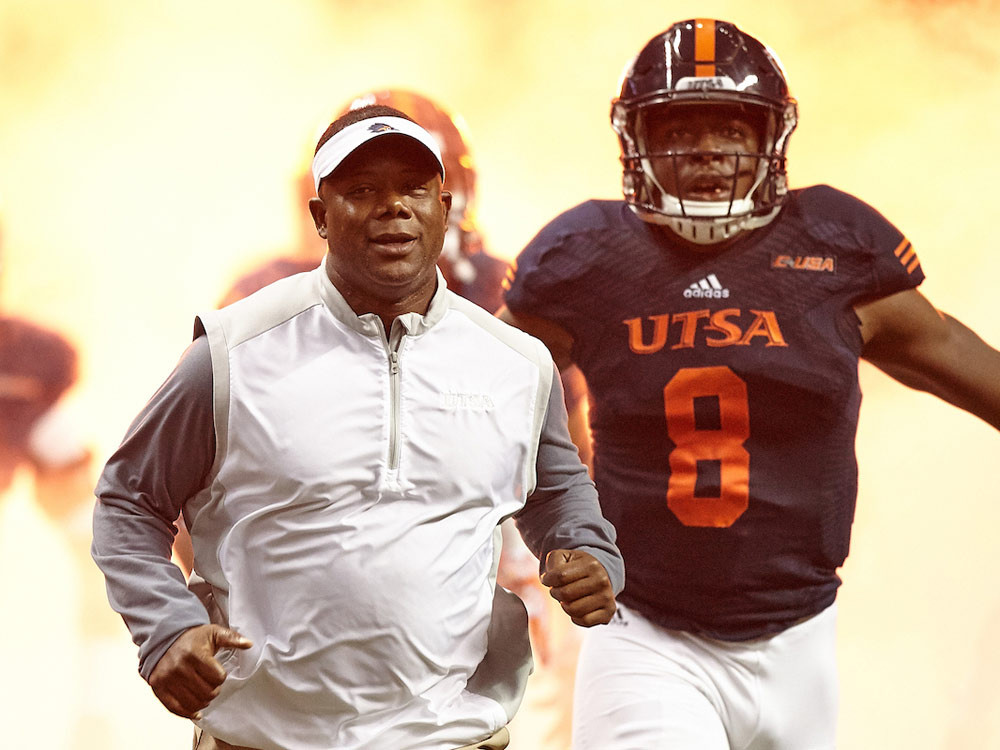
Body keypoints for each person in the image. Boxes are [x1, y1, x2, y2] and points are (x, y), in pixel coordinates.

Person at [498, 18, 1000, 750]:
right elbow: (455, 405)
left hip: (802, 635)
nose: (707, 151)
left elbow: (963, 359)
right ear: (637, 141)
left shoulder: (835, 250)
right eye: (679, 128)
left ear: (771, 138)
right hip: (647, 634)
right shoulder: (586, 262)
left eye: (731, 128)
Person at [92, 104, 624, 750]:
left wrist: (583, 548)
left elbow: (555, 486)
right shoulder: (236, 344)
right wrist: (170, 624)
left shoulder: (514, 357)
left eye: (412, 188)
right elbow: (129, 497)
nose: (392, 207)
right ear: (319, 214)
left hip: (454, 734)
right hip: (266, 738)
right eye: (362, 189)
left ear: (445, 202)